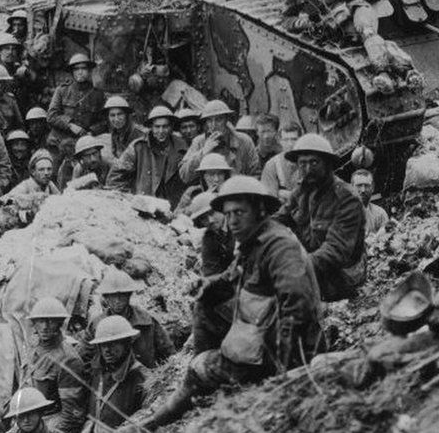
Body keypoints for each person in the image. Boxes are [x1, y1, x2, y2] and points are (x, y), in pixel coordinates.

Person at [131, 176, 321, 431]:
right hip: (263, 337)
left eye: (239, 213)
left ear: (260, 210)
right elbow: (231, 277)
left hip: (282, 354)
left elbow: (297, 306)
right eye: (228, 214)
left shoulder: (279, 247)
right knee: (206, 304)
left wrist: (283, 376)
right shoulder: (254, 242)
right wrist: (207, 286)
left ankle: (153, 423)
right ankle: (206, 385)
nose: (232, 221)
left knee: (198, 369)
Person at [275, 134, 366, 302]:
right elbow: (279, 219)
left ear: (327, 164)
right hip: (312, 266)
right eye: (302, 163)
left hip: (340, 276)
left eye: (314, 162)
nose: (307, 169)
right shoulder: (302, 190)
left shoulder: (346, 198)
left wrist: (294, 268)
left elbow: (335, 250)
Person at [81, 269, 173, 369]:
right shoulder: (96, 324)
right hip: (112, 381)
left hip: (143, 379)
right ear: (106, 297)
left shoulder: (146, 321)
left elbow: (168, 352)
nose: (117, 301)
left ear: (128, 295)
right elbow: (84, 357)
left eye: (121, 296)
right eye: (112, 296)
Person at [23, 298, 87, 433]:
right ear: (34, 323)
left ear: (60, 323)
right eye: (40, 321)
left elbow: (72, 417)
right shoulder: (33, 347)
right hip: (29, 418)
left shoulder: (68, 360)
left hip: (51, 422)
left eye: (51, 321)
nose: (45, 327)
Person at [106, 105, 187, 208]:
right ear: (151, 128)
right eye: (157, 127)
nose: (161, 131)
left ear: (171, 127)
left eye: (165, 126)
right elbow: (114, 177)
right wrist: (130, 198)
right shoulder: (139, 147)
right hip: (146, 206)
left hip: (173, 206)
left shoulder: (181, 146)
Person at [85, 316, 147, 431]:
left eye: (113, 343)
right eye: (103, 345)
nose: (107, 350)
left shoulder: (142, 378)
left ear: (127, 344)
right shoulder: (98, 372)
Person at [179, 99, 259, 184]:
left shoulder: (243, 141)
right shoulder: (199, 142)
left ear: (226, 120)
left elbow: (256, 173)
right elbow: (184, 176)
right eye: (209, 120)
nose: (214, 125)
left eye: (218, 119)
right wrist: (202, 153)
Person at [47, 53, 106, 165]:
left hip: (84, 143)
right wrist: (70, 125)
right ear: (72, 72)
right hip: (59, 142)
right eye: (76, 69)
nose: (80, 72)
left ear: (89, 71)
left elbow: (104, 121)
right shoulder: (62, 91)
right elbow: (51, 116)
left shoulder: (97, 94)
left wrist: (92, 131)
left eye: (83, 68)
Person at [1, 149, 60, 223]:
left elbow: (60, 200)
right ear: (33, 172)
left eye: (49, 169)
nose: (46, 173)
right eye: (41, 170)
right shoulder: (24, 186)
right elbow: (5, 204)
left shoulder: (50, 185)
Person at [187, 191, 233, 278]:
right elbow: (211, 271)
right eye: (204, 218)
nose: (210, 220)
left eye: (212, 212)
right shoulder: (209, 238)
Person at [260, 123, 303, 201]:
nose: (290, 144)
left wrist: (283, 193)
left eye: (294, 139)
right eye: (286, 140)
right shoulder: (272, 165)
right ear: (280, 141)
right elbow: (269, 198)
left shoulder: (309, 162)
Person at [104, 96, 144, 161]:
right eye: (112, 115)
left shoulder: (138, 134)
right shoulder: (115, 132)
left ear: (127, 115)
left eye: (120, 114)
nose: (116, 119)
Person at [351, 169, 389, 235]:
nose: (363, 190)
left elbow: (386, 240)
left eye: (367, 186)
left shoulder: (380, 214)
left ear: (373, 187)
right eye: (359, 186)